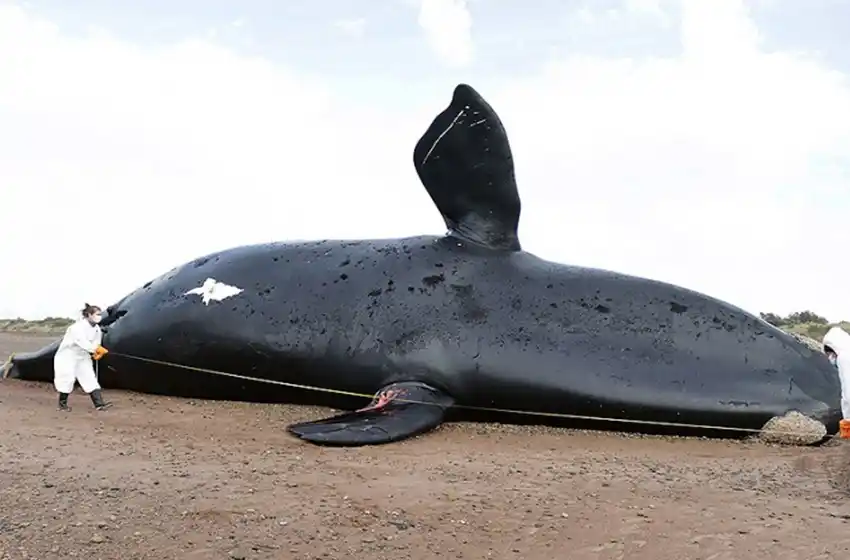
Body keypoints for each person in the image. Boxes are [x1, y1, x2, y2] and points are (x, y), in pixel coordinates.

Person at [53, 303, 112, 411]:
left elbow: (96, 343)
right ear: (89, 315)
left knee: (90, 378)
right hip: (68, 356)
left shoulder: (97, 329)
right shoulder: (77, 327)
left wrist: (97, 351)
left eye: (100, 314)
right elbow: (81, 341)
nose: (99, 317)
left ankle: (99, 404)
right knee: (67, 378)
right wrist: (95, 350)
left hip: (83, 356)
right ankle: (62, 405)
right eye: (97, 314)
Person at [823, 326, 850, 430]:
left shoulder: (844, 358)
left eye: (830, 354)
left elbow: (848, 392)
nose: (830, 358)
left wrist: (847, 419)